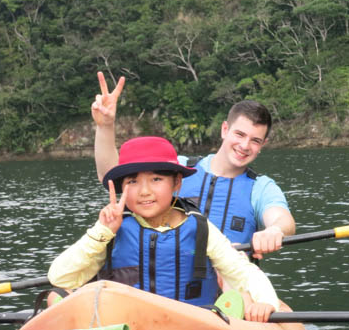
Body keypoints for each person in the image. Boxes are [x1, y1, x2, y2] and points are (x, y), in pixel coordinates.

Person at [48, 136, 279, 322]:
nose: (144, 191)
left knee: (243, 295)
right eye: (133, 182)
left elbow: (242, 272)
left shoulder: (200, 228)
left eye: (156, 179)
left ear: (177, 183)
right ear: (122, 188)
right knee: (54, 296)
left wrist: (266, 302)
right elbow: (60, 276)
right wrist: (102, 231)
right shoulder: (111, 228)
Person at [91, 72, 295, 256]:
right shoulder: (178, 167)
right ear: (225, 129)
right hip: (163, 279)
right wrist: (105, 126)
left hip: (226, 289)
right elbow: (110, 175)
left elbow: (282, 219)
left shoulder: (261, 187)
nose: (244, 145)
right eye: (239, 134)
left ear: (263, 145)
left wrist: (274, 231)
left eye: (255, 140)